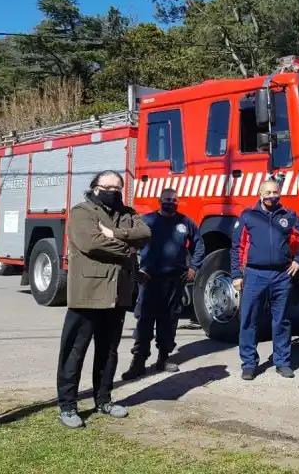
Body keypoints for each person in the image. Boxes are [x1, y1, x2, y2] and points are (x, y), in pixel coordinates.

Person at [56, 170, 151, 429]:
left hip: (117, 295)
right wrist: (128, 247)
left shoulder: (127, 213)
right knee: (75, 352)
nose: (112, 191)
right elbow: (91, 243)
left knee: (108, 352)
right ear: (95, 187)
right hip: (87, 293)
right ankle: (67, 405)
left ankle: (103, 400)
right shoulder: (81, 212)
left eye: (117, 187)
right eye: (106, 186)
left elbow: (145, 234)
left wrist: (113, 235)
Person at [231, 179, 299, 381]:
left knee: (282, 320)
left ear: (280, 193)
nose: (271, 195)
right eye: (267, 192)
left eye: (275, 192)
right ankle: (249, 364)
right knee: (249, 319)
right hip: (254, 274)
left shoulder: (289, 215)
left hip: (281, 275)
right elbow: (237, 247)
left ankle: (283, 362)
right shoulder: (248, 215)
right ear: (260, 193)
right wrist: (236, 275)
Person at [121, 187, 205, 381]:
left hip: (175, 280)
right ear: (160, 200)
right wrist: (136, 270)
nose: (171, 202)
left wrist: (193, 267)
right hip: (149, 279)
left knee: (169, 320)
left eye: (174, 200)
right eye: (167, 199)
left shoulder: (186, 223)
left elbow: (199, 245)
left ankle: (164, 358)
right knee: (145, 320)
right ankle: (139, 362)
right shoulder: (147, 221)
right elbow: (130, 246)